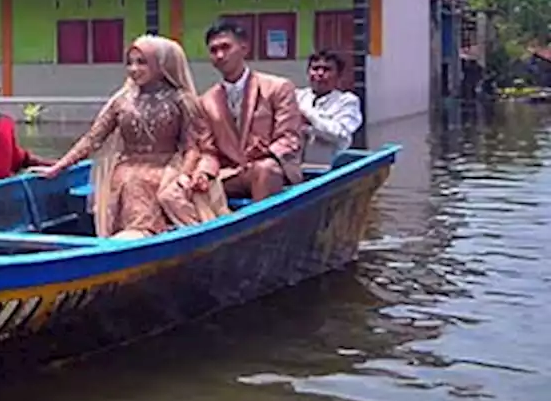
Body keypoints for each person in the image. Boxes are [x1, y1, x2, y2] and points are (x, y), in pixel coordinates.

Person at [30, 35, 229, 239]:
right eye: (130, 63)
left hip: (165, 170)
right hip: (126, 171)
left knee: (160, 194)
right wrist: (58, 167)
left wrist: (185, 176)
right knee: (129, 182)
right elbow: (92, 139)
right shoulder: (121, 101)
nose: (134, 69)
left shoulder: (181, 100)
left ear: (161, 64)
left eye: (142, 62)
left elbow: (192, 147)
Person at [199, 20, 303, 201]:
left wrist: (268, 151)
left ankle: (264, 229)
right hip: (231, 174)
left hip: (273, 169)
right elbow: (208, 151)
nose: (220, 55)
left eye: (225, 47)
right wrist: (203, 173)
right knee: (184, 186)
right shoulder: (206, 101)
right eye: (213, 50)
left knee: (265, 170)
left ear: (244, 48)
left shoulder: (278, 88)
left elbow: (290, 138)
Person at [297, 49, 363, 165]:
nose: (320, 73)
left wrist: (309, 117)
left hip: (329, 171)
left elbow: (341, 134)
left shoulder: (347, 101)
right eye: (315, 69)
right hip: (295, 169)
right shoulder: (296, 96)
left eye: (327, 69)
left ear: (339, 75)